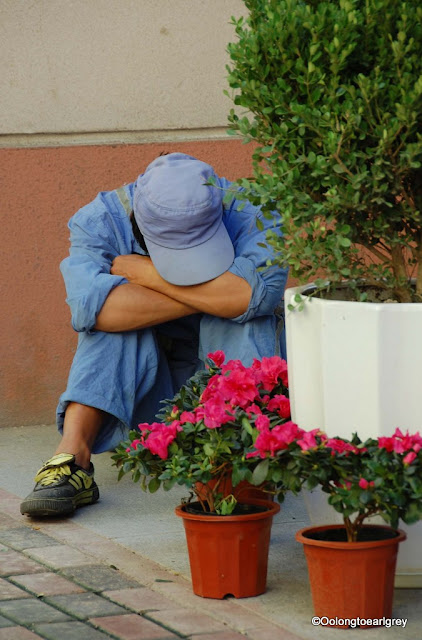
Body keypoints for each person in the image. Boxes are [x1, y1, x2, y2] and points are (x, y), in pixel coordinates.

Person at [20, 152, 288, 518]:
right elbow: (94, 309)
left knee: (245, 319)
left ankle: (242, 458)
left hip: (232, 381)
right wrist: (216, 296)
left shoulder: (253, 209)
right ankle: (73, 459)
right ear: (139, 222)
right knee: (109, 324)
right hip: (148, 386)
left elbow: (253, 297)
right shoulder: (98, 221)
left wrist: (146, 274)